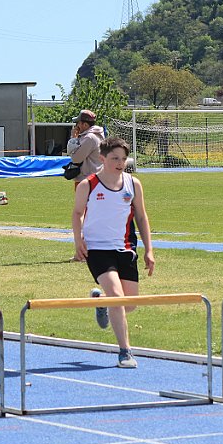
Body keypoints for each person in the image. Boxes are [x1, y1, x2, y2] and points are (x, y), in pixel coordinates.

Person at [71, 137, 154, 369]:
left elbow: (141, 217)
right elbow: (77, 213)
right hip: (97, 249)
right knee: (117, 298)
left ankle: (101, 302)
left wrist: (149, 250)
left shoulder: (133, 184)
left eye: (123, 159)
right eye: (115, 158)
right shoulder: (88, 184)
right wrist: (78, 241)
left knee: (129, 304)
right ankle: (125, 352)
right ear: (102, 158)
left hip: (125, 248)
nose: (120, 163)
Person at [65, 110, 106, 181]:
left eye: (78, 123)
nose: (77, 126)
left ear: (85, 125)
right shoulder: (95, 135)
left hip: (88, 180)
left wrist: (73, 138)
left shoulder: (89, 137)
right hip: (93, 177)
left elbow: (76, 159)